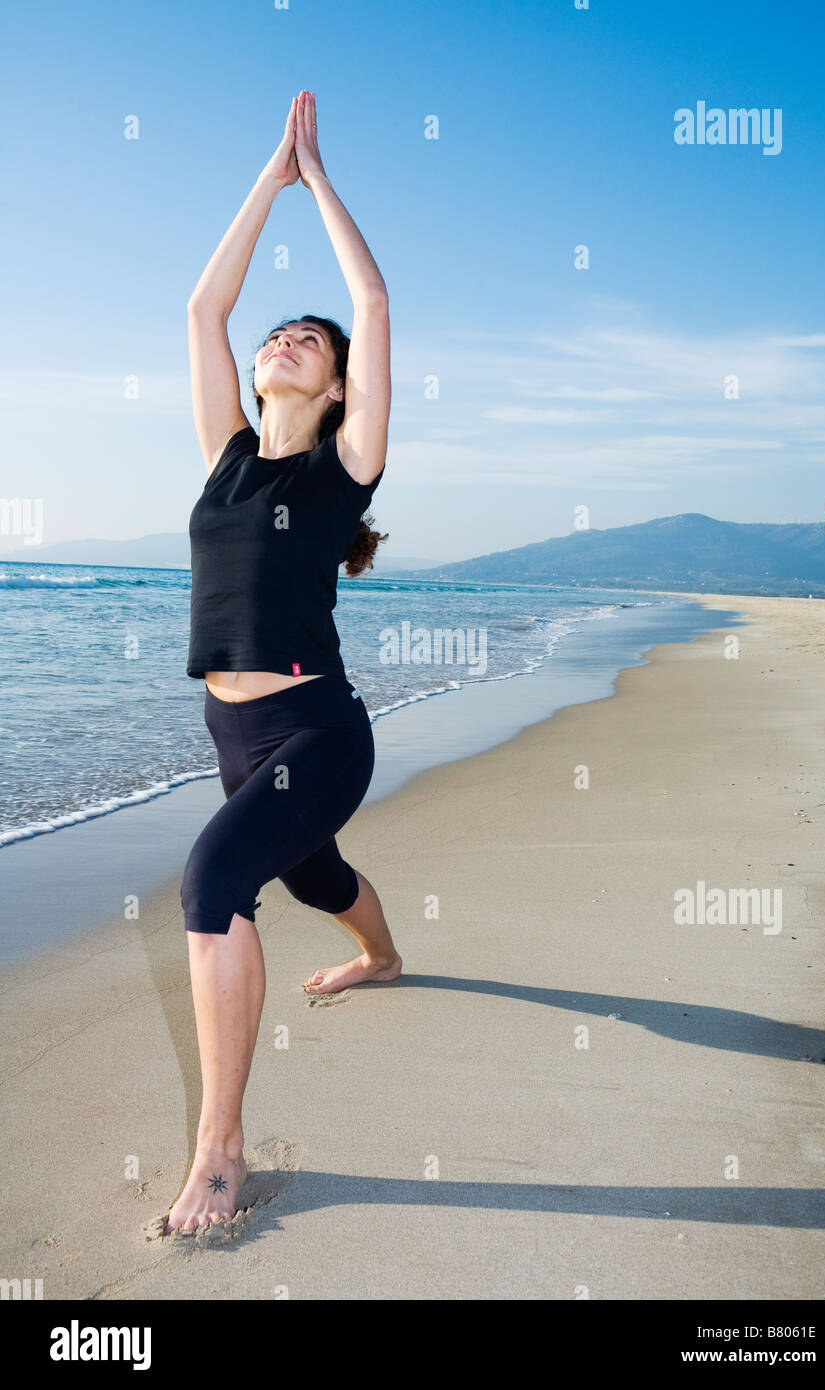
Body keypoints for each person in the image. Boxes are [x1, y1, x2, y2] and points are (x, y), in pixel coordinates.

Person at [168, 91, 401, 1235]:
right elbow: (205, 306)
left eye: (306, 343)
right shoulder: (225, 458)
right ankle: (384, 951)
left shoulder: (340, 472)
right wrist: (264, 180)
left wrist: (319, 184)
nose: (280, 340)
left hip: (319, 728)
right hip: (232, 730)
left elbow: (372, 298)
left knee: (213, 886)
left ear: (339, 387)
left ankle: (219, 1150)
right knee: (308, 880)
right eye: (276, 336)